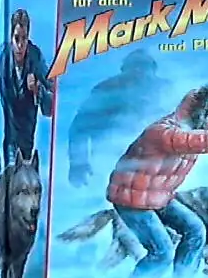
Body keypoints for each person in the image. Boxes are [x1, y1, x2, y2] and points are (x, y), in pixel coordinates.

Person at [105, 83, 208, 278]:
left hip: (158, 196)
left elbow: (200, 115)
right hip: (130, 199)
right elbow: (193, 141)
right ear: (201, 111)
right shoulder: (164, 131)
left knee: (196, 231)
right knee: (161, 252)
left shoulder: (196, 126)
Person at [67, 49, 172, 187]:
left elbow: (187, 125)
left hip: (158, 166)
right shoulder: (106, 90)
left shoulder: (166, 90)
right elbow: (80, 126)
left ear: (153, 69)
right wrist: (78, 163)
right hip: (111, 163)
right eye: (135, 66)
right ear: (124, 69)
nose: (139, 71)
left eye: (143, 66)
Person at [0, 9, 54, 167]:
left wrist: (38, 89)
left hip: (27, 139)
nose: (20, 45)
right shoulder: (2, 56)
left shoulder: (36, 58)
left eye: (24, 39)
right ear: (11, 37)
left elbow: (52, 100)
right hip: (9, 137)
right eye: (17, 38)